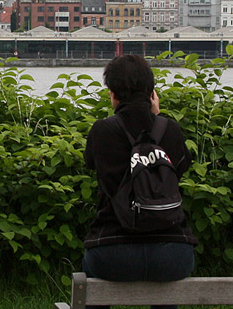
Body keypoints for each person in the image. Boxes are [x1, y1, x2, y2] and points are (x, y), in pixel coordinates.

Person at [82, 54, 196, 283]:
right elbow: (181, 167)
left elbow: (90, 164)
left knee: (89, 268)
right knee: (165, 280)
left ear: (113, 94)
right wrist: (158, 118)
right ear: (152, 92)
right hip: (173, 253)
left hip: (112, 252)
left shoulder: (102, 131)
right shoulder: (170, 129)